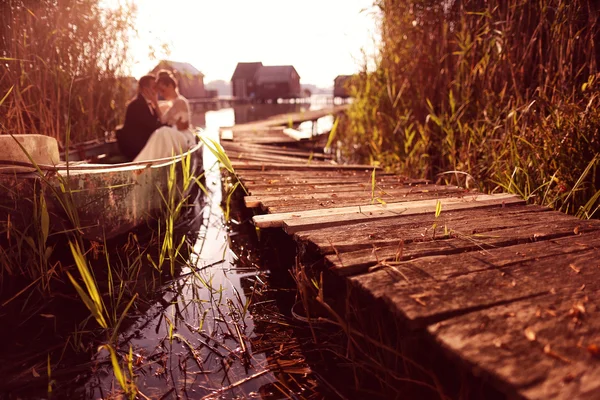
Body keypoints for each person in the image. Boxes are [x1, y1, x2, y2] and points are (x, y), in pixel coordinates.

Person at [132, 70, 195, 162]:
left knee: (163, 132)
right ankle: (147, 162)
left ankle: (142, 162)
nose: (161, 94)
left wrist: (156, 104)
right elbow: (162, 119)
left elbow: (183, 126)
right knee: (162, 133)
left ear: (170, 86)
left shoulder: (180, 101)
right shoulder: (169, 104)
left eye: (163, 90)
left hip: (184, 137)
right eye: (160, 91)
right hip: (175, 136)